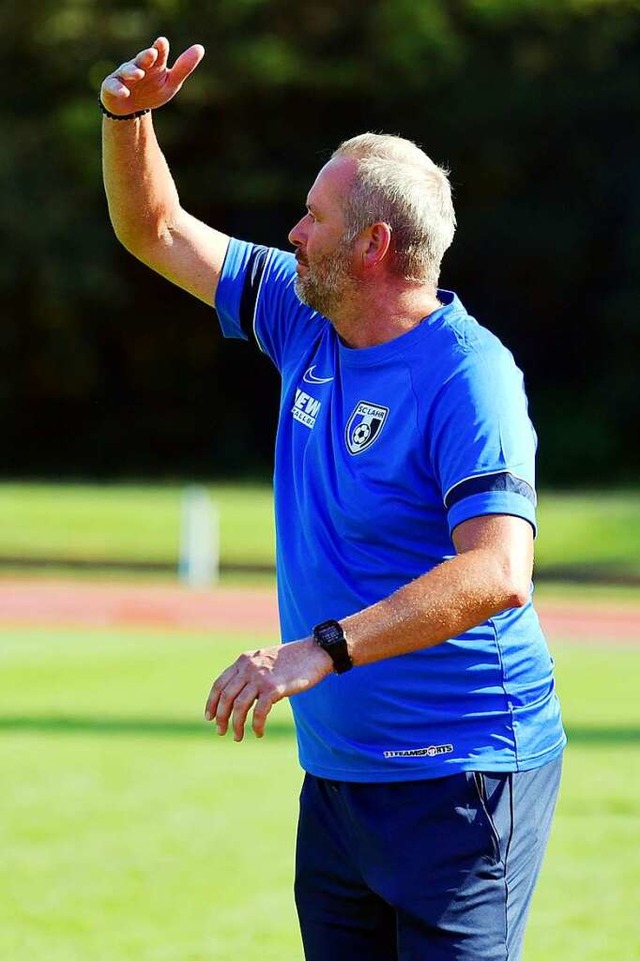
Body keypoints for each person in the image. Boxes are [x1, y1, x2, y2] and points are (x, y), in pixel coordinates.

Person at [101, 37, 566, 961]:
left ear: (373, 245)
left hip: (464, 776)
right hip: (342, 779)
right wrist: (126, 121)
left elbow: (499, 571)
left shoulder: (469, 377)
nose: (293, 233)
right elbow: (155, 230)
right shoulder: (300, 316)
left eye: (314, 218)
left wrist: (321, 650)